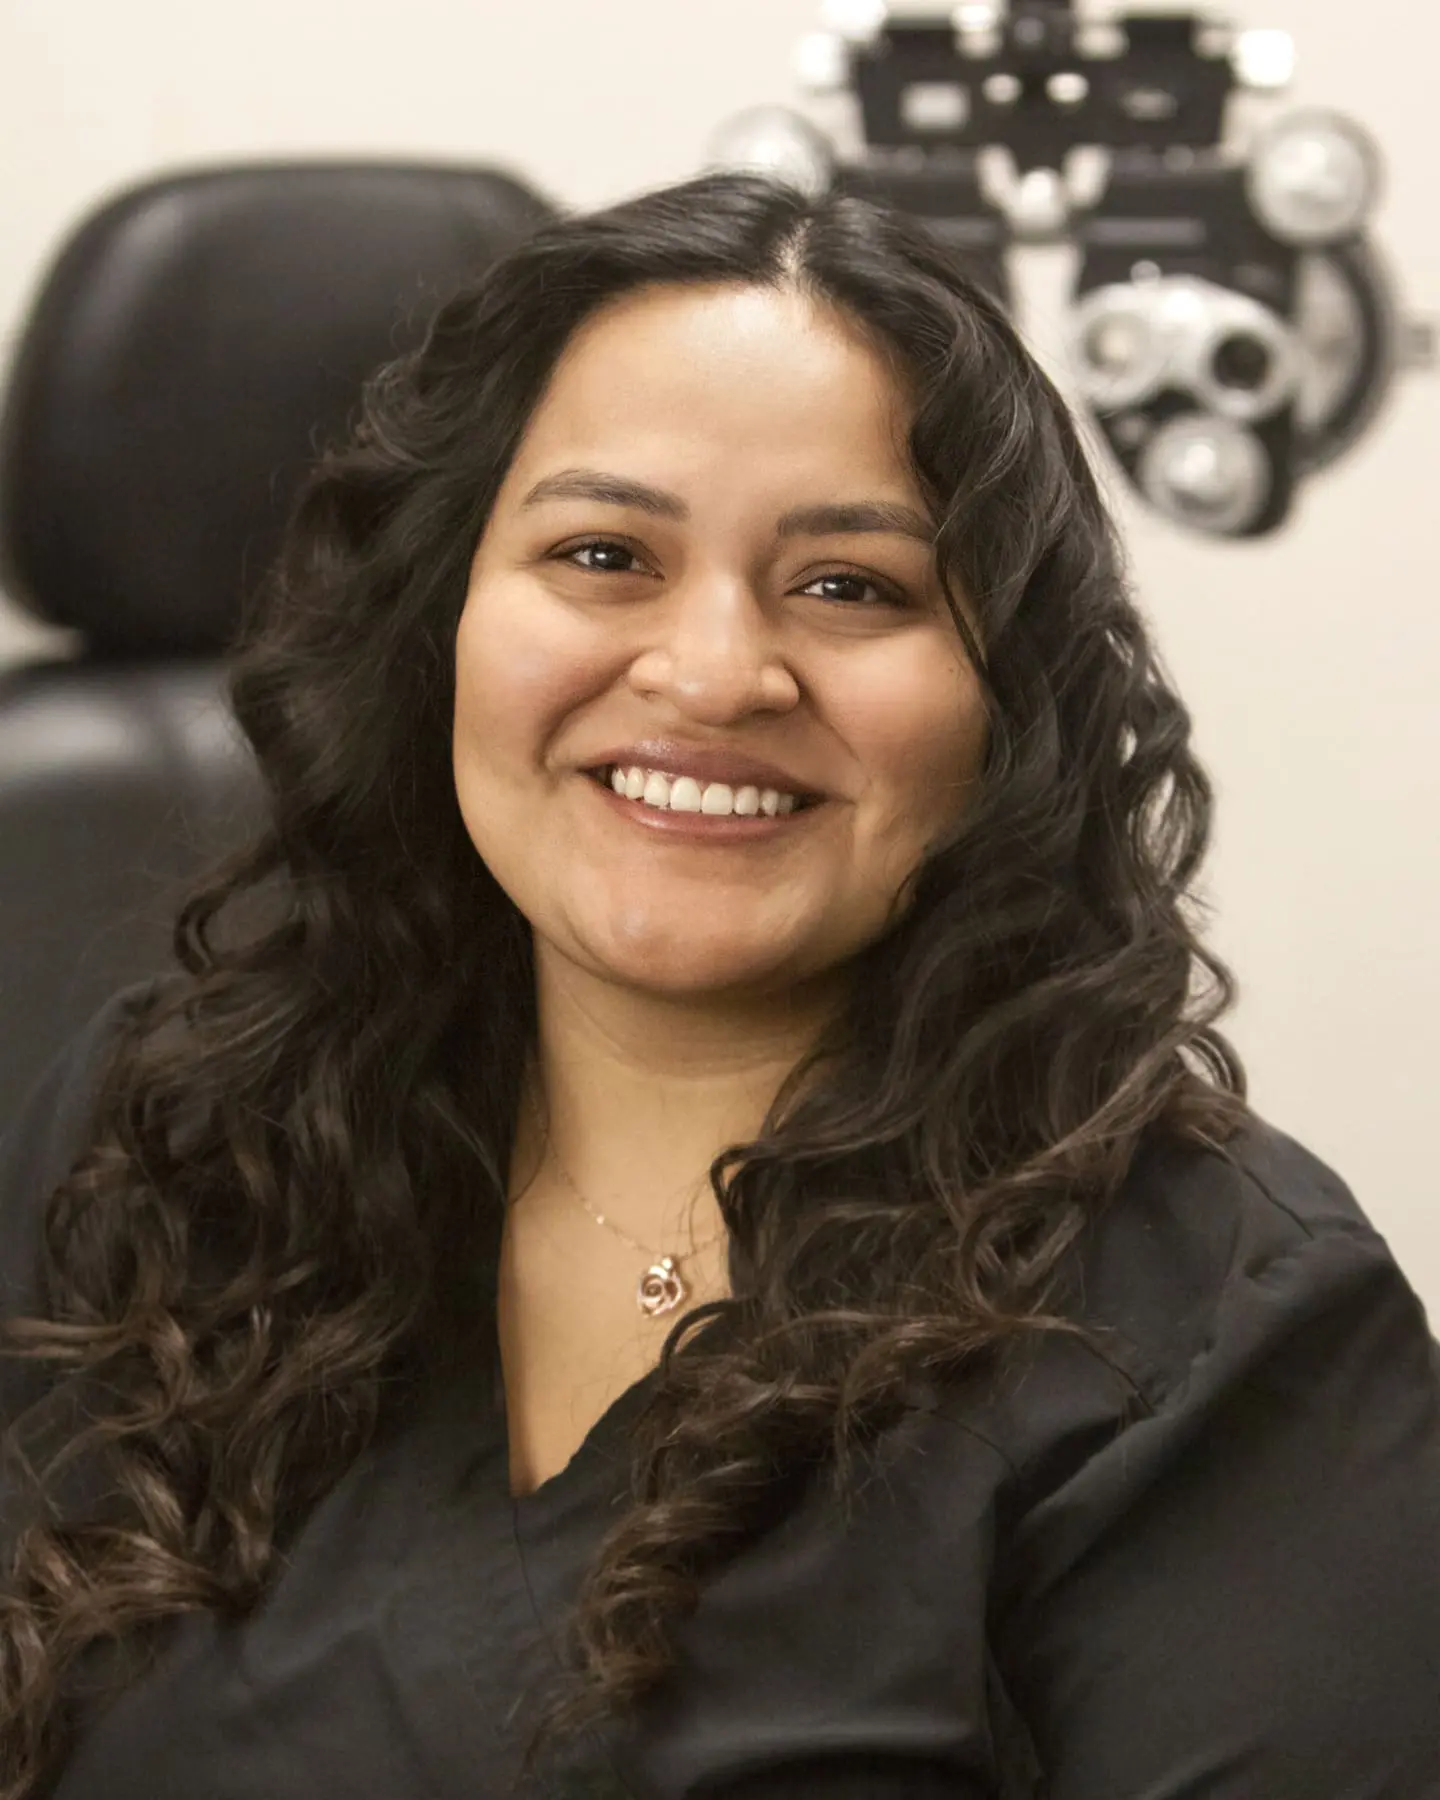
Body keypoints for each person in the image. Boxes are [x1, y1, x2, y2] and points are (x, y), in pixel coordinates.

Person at [0, 172, 1436, 1800]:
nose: (710, 673)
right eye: (605, 553)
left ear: (1002, 706)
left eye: (851, 587)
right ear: (442, 625)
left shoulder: (1213, 1331)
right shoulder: (177, 1138)